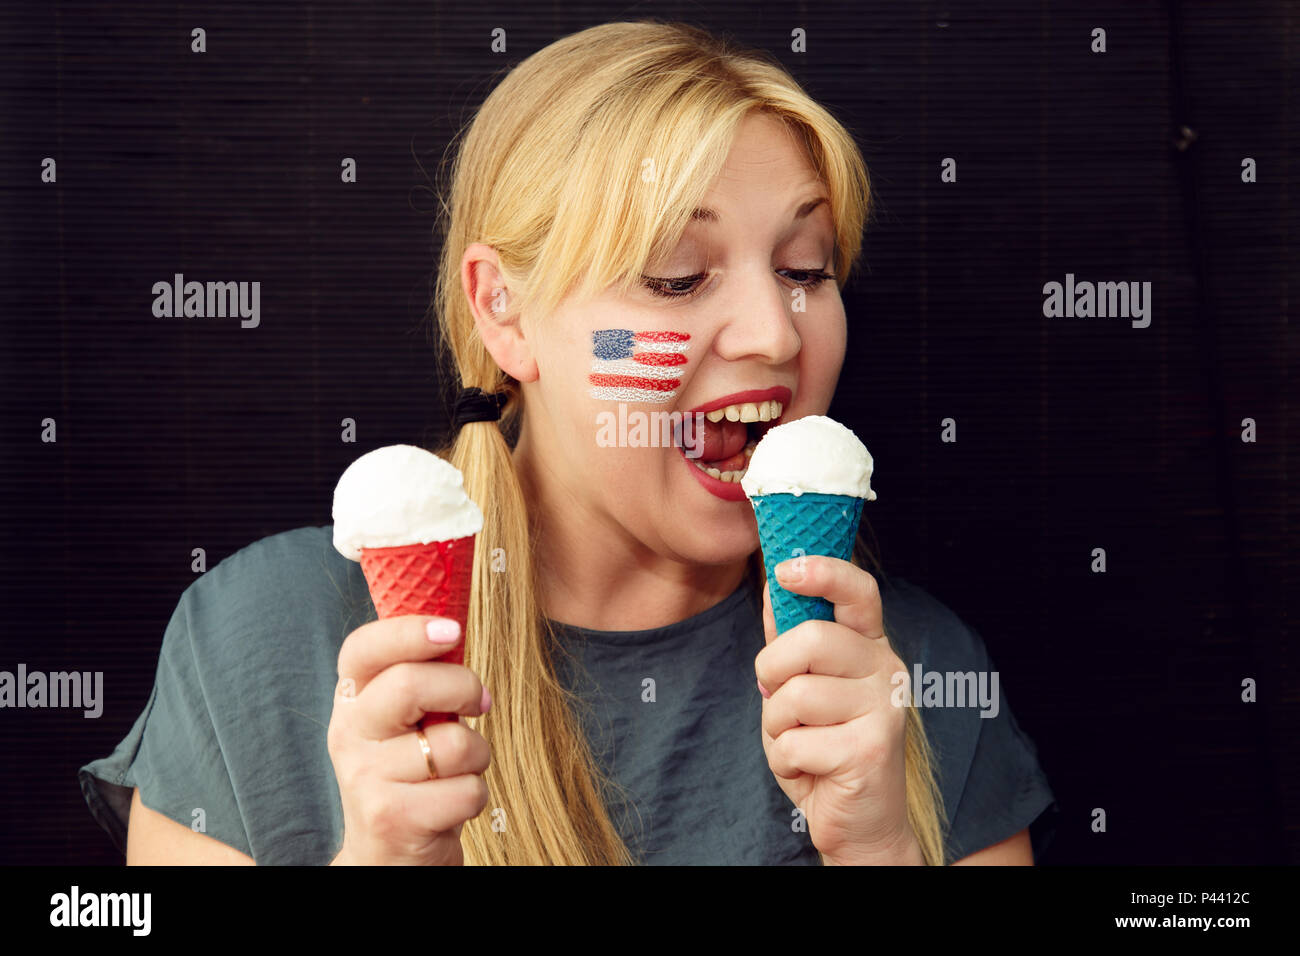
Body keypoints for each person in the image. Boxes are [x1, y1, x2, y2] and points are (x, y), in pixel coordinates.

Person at [79, 19, 1058, 865]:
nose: (775, 330)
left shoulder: (913, 666)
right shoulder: (266, 636)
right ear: (503, 311)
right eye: (677, 275)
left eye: (806, 265)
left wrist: (883, 849)